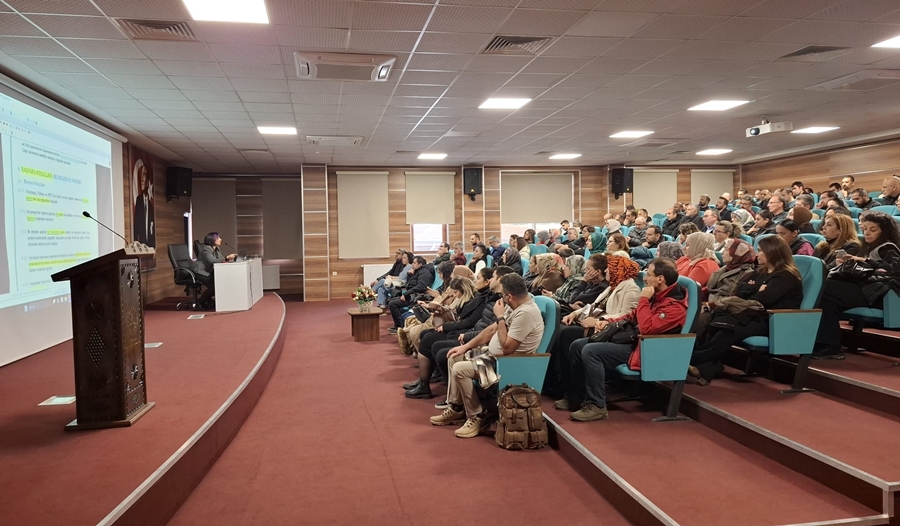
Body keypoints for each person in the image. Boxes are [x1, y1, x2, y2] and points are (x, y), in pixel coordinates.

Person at [557, 258, 687, 421]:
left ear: (660, 279)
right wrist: (607, 322)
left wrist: (643, 300)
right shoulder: (656, 296)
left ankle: (597, 406)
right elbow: (631, 316)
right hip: (632, 341)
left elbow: (647, 329)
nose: (645, 278)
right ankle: (577, 395)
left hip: (646, 350)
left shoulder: (675, 306)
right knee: (577, 345)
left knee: (591, 351)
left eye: (648, 274)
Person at [430, 274, 544, 438]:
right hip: (492, 356)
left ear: (509, 296)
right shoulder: (515, 306)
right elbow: (491, 330)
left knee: (460, 370)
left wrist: (500, 317)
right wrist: (465, 347)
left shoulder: (526, 313)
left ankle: (477, 417)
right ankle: (457, 408)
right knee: (454, 357)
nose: (501, 298)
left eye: (502, 294)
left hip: (508, 363)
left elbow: (507, 348)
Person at [689, 236, 803, 384]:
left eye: (761, 251)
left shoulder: (787, 276)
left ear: (772, 252)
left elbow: (764, 299)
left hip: (772, 320)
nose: (757, 254)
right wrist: (756, 288)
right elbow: (739, 290)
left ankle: (694, 360)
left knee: (727, 329)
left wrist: (753, 289)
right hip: (751, 314)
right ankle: (706, 367)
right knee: (717, 321)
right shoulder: (760, 272)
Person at [546, 254, 639, 399]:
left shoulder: (631, 289)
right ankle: (562, 384)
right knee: (561, 330)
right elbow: (594, 306)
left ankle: (567, 386)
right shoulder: (612, 286)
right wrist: (575, 314)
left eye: (609, 268)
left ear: (618, 270)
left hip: (610, 331)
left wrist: (597, 321)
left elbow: (627, 316)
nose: (606, 271)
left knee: (567, 334)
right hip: (600, 325)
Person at [814, 211, 900, 359]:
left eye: (873, 229)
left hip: (880, 295)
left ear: (884, 231)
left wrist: (863, 260)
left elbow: (895, 268)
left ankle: (830, 346)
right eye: (864, 229)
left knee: (825, 288)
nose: (867, 233)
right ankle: (828, 345)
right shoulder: (869, 247)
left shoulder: (888, 247)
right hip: (867, 290)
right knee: (826, 299)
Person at [405, 273, 489, 399]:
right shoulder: (478, 297)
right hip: (460, 329)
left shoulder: (479, 298)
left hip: (464, 332)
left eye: (479, 278)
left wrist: (446, 326)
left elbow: (469, 322)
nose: (476, 280)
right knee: (425, 334)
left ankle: (425, 384)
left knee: (429, 341)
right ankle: (425, 379)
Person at [387, 256, 434, 334]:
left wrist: (406, 294)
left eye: (414, 263)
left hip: (416, 297)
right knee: (391, 300)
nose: (412, 264)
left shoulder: (425, 272)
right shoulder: (418, 271)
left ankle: (399, 327)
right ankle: (399, 325)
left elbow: (421, 287)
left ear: (420, 264)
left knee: (393, 304)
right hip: (411, 295)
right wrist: (409, 274)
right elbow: (410, 284)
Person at [191, 232, 236, 309]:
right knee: (214, 287)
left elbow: (220, 259)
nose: (220, 239)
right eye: (218, 238)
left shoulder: (217, 248)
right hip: (200, 271)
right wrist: (226, 257)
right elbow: (212, 261)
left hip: (207, 271)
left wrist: (228, 260)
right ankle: (199, 303)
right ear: (212, 240)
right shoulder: (206, 249)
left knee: (218, 285)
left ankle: (207, 301)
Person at [707, 239, 756, 303]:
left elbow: (733, 298)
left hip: (725, 306)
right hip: (713, 303)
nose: (722, 252)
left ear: (737, 253)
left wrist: (711, 305)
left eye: (726, 249)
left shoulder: (747, 274)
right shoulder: (725, 268)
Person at [132, 159, 156, 247]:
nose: (142, 179)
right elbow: (136, 224)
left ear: (148, 182)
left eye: (144, 175)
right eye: (141, 175)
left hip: (149, 245)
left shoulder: (151, 205)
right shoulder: (139, 200)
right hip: (140, 244)